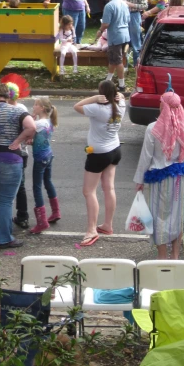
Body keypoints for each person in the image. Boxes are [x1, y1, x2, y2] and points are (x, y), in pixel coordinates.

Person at [133, 91, 184, 259]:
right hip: (178, 179)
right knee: (178, 215)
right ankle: (175, 255)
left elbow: (146, 157)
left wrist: (139, 180)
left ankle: (162, 256)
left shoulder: (153, 129)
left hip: (158, 180)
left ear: (163, 105)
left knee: (159, 217)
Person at [0, 83, 36, 249]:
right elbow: (32, 127)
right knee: (6, 200)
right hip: (9, 158)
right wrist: (17, 141)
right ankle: (4, 238)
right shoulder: (17, 111)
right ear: (8, 96)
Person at [74, 82, 125, 246]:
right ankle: (108, 225)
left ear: (102, 93)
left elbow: (77, 106)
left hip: (99, 153)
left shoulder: (98, 109)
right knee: (108, 188)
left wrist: (94, 98)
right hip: (115, 150)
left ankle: (91, 230)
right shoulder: (121, 105)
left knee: (89, 191)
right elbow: (123, 97)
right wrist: (121, 96)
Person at [30, 96, 60, 234]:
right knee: (48, 182)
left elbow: (27, 132)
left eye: (36, 104)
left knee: (36, 187)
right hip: (48, 155)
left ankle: (41, 222)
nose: (34, 106)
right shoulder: (48, 121)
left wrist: (31, 117)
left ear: (41, 108)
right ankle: (55, 212)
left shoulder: (38, 124)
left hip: (40, 158)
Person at [4, 78, 31, 230]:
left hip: (11, 150)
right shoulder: (22, 108)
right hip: (23, 152)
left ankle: (6, 216)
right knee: (20, 185)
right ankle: (23, 215)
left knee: (6, 186)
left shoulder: (7, 110)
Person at [99, 0, 130, 94]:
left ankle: (122, 85)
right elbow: (128, 19)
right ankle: (108, 80)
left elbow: (106, 23)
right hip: (125, 34)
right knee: (113, 59)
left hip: (115, 36)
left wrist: (100, 31)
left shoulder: (109, 6)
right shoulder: (124, 3)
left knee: (117, 61)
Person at [118, 0, 147, 66]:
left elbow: (145, 5)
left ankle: (136, 64)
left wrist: (131, 5)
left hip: (134, 15)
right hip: (122, 16)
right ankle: (124, 64)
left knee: (135, 41)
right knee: (123, 39)